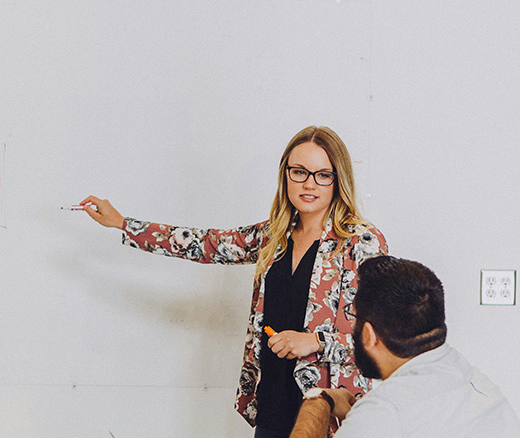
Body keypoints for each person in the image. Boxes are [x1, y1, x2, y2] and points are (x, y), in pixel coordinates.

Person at [82, 126, 387, 438]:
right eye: (299, 172)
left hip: (328, 412)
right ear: (285, 174)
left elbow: (384, 336)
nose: (309, 184)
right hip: (272, 403)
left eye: (323, 175)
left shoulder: (361, 242)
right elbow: (205, 244)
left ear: (338, 179)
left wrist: (316, 342)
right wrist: (123, 223)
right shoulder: (273, 235)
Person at [289, 256, 520, 438]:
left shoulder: (384, 411)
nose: (351, 326)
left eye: (354, 317)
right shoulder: (475, 382)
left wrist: (318, 400)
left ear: (369, 334)